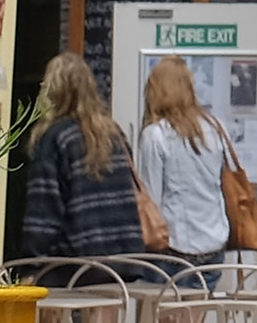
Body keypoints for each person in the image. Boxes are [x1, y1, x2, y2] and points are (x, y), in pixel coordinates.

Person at [10, 53, 157, 280]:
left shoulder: (55, 138)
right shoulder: (113, 133)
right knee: (107, 311)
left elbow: (44, 210)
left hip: (75, 265)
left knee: (53, 307)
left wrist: (32, 262)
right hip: (124, 260)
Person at [134, 53, 241, 269]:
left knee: (166, 303)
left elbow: (151, 199)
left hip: (173, 248)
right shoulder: (215, 127)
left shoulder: (156, 135)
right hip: (214, 244)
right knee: (202, 302)